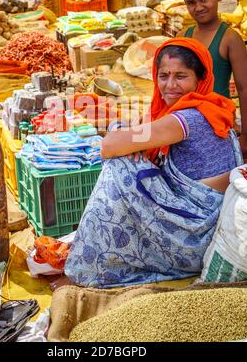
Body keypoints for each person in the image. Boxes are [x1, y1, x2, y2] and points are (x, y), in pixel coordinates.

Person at [63, 38, 243, 289]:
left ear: (199, 80)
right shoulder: (210, 105)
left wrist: (125, 138)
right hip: (206, 224)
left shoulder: (187, 119)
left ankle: (88, 266)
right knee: (130, 155)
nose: (170, 85)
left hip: (194, 238)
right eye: (163, 76)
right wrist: (132, 138)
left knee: (120, 166)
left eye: (181, 76)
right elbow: (138, 130)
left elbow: (108, 146)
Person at [178, 0, 247, 160]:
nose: (198, 7)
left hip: (220, 127)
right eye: (191, 3)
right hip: (187, 125)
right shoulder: (183, 36)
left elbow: (244, 89)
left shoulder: (230, 39)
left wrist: (246, 137)